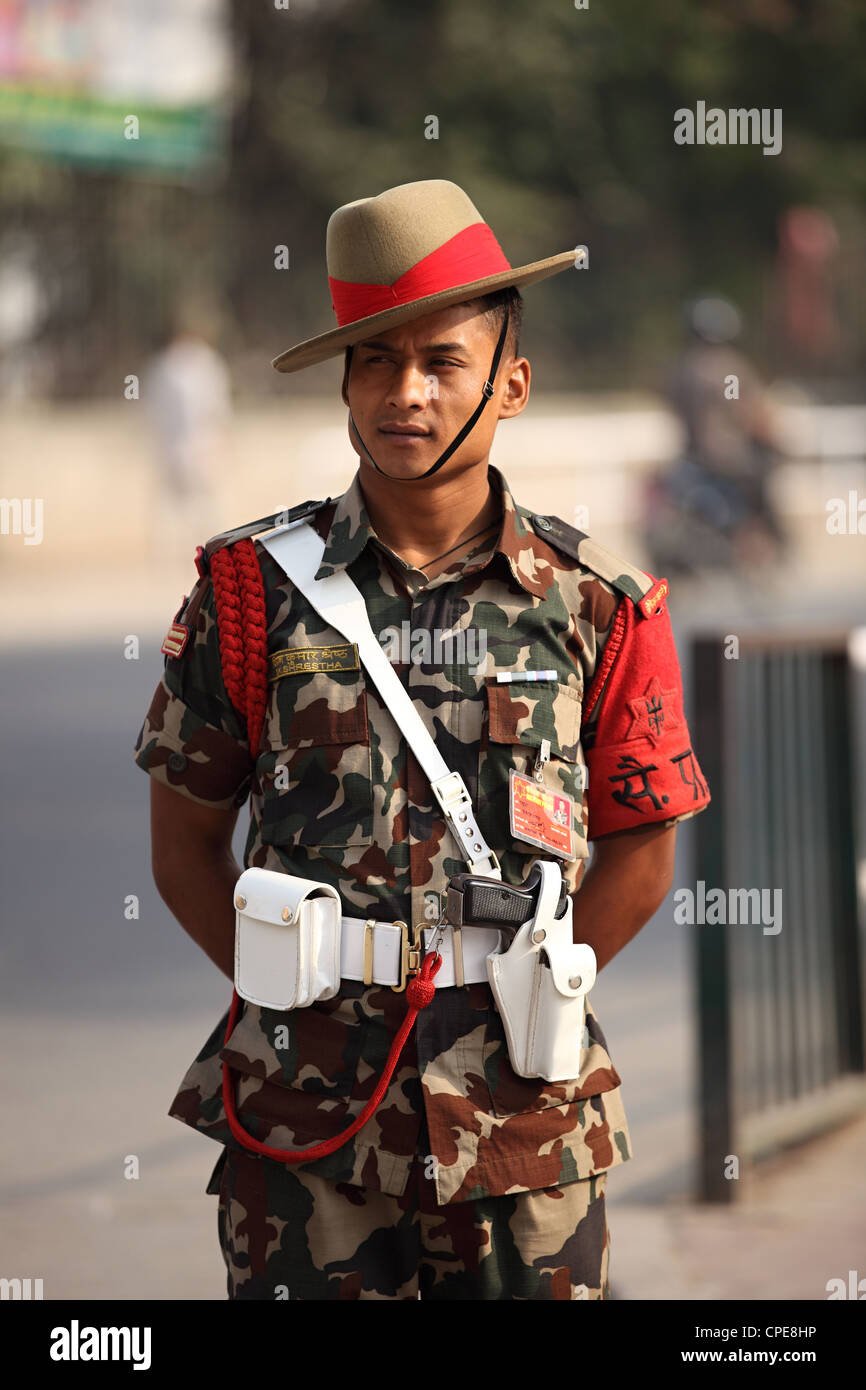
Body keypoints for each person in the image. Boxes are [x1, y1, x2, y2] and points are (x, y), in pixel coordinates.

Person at [133, 179, 711, 1300]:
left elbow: (643, 853)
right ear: (344, 384)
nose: (405, 393)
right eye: (376, 362)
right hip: (303, 1133)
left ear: (511, 385)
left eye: (441, 362)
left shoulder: (599, 605)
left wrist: (531, 985)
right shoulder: (251, 592)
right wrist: (297, 991)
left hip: (525, 1128)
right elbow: (182, 844)